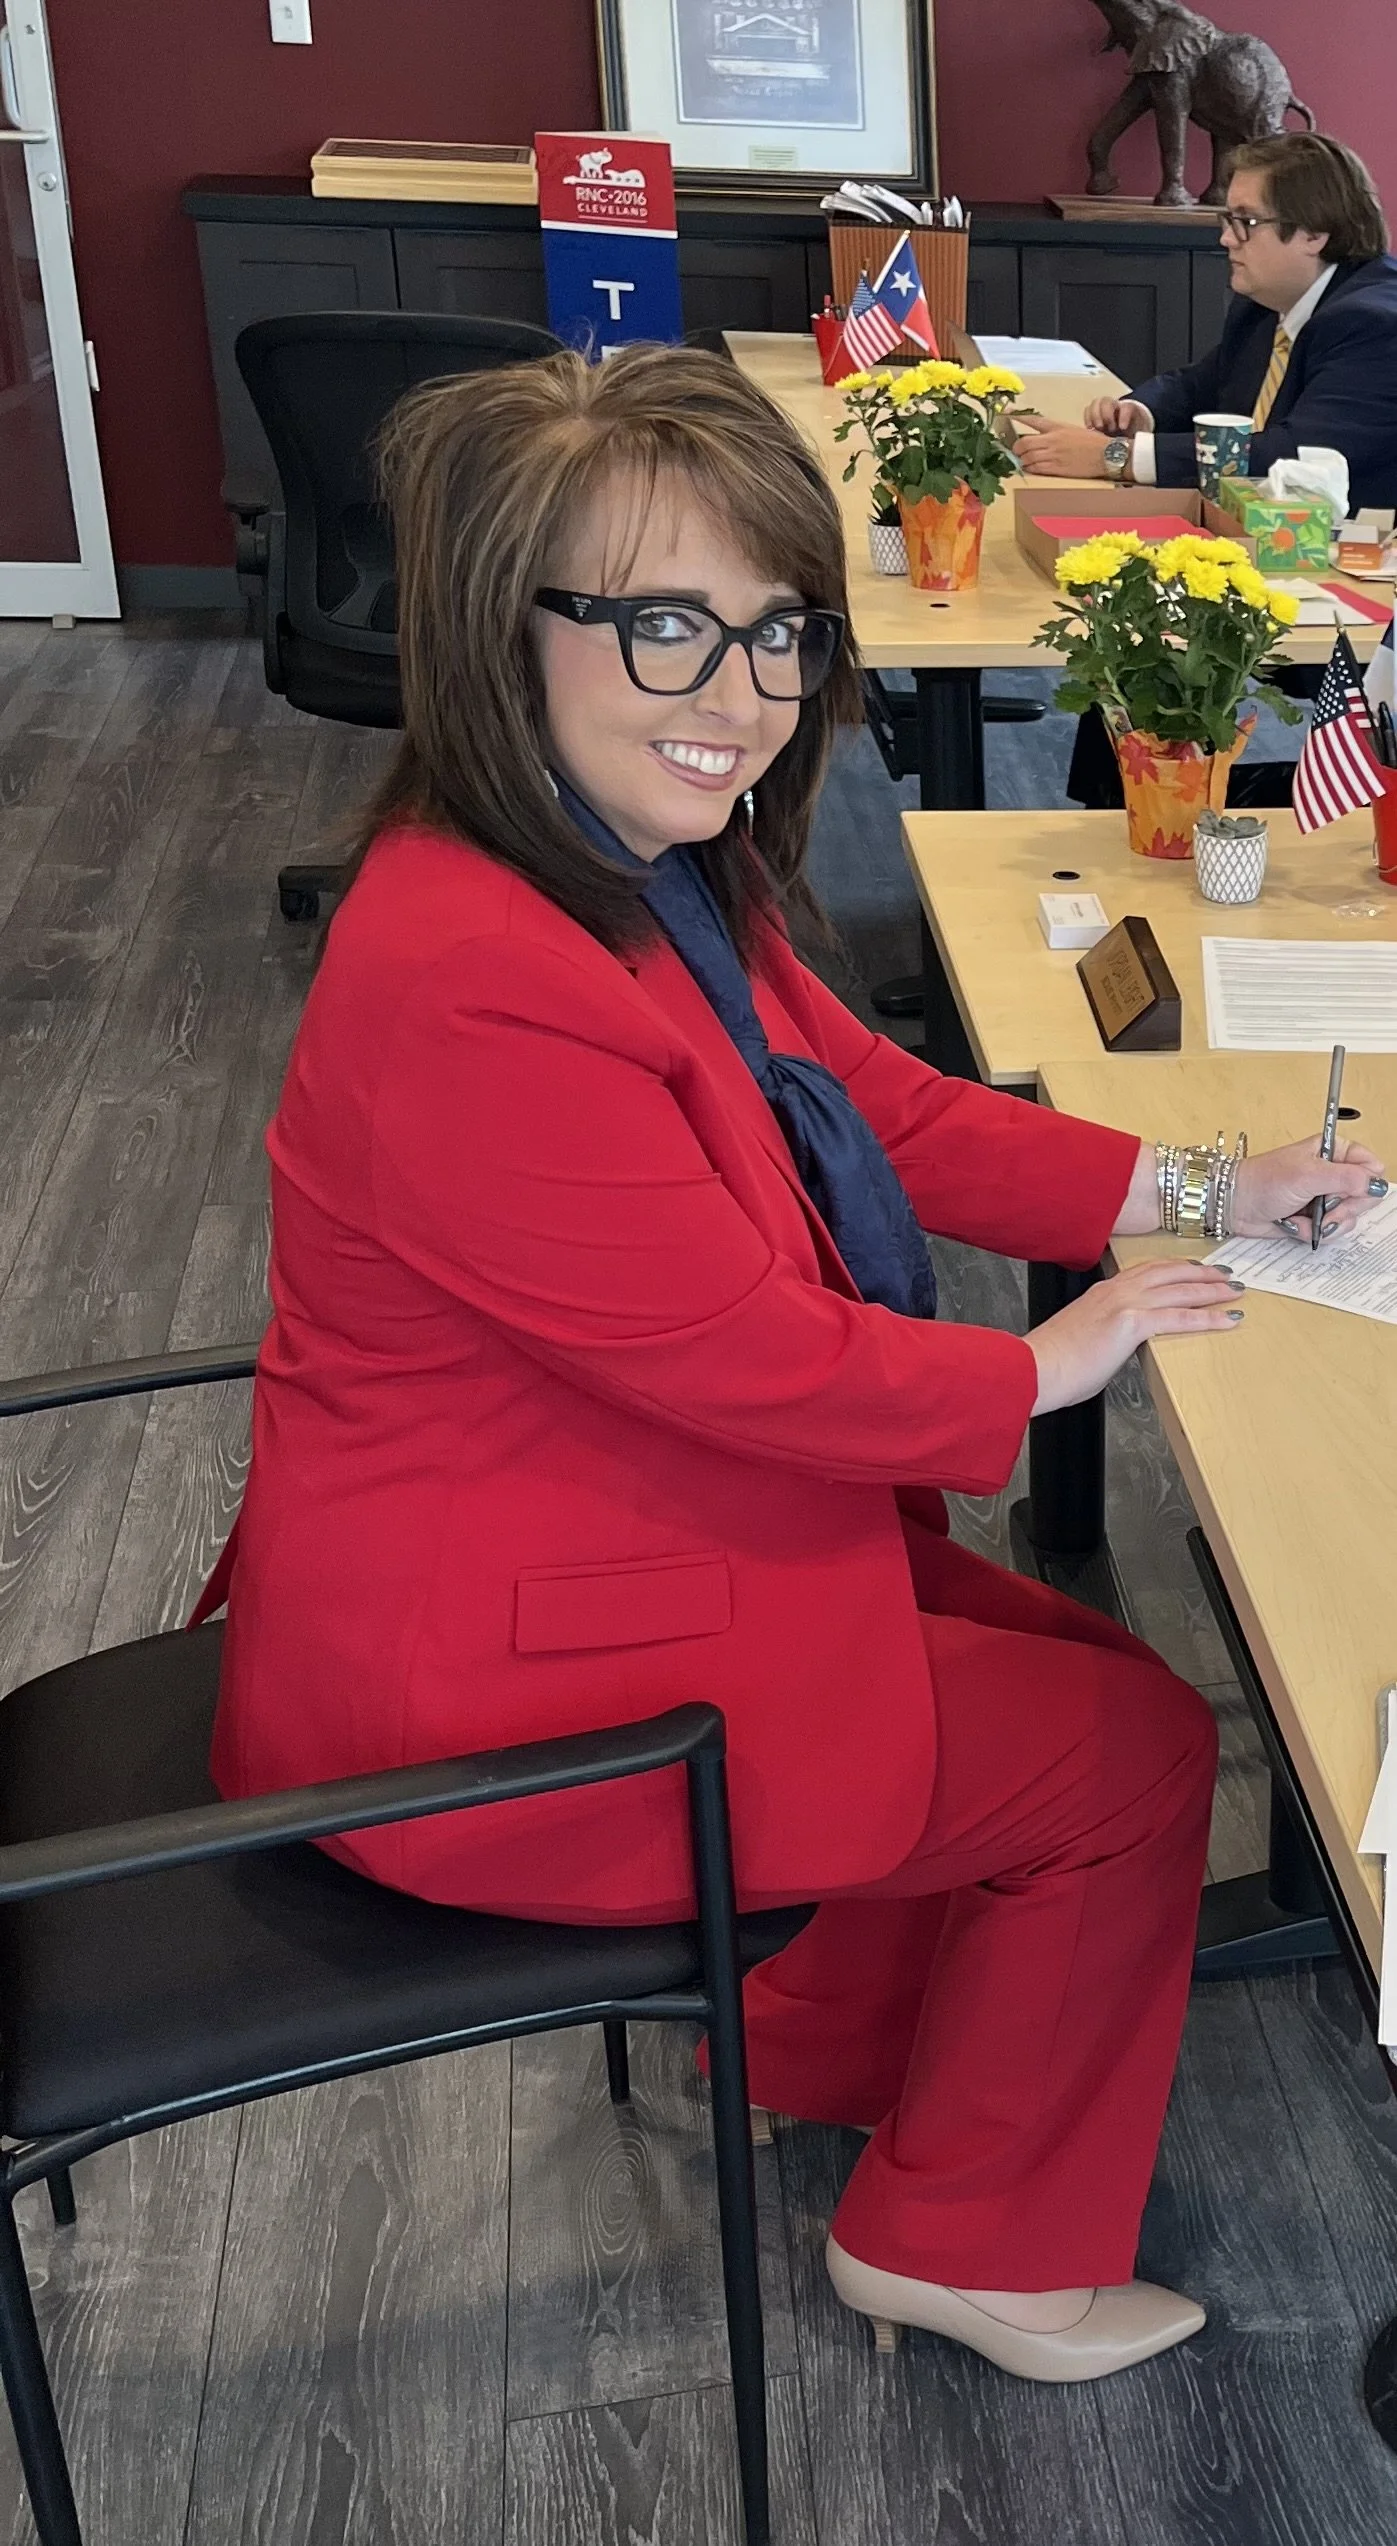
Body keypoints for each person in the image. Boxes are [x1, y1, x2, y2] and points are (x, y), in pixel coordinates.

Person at [200, 345, 1387, 2383]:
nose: (738, 693)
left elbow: (885, 1114)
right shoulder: (470, 974)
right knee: (1123, 1756)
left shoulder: (639, 872)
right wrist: (1044, 1366)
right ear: (503, 629)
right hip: (477, 1691)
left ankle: (822, 2052)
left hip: (579, 1538)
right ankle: (961, 2246)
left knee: (1073, 1671)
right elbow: (743, 1357)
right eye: (662, 623)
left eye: (774, 630)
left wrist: (1204, 1183)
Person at [1016, 132, 1397, 509]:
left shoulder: (1374, 325)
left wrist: (1116, 457)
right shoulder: (1267, 300)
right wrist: (1139, 414)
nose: (1226, 239)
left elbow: (1295, 453)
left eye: (1246, 221)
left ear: (1313, 234)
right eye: (1228, 219)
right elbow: (1204, 383)